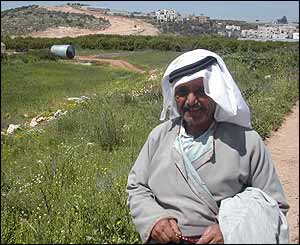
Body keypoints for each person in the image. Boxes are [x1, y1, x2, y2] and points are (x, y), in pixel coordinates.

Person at [126, 49, 289, 244]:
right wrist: (153, 220)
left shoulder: (247, 141)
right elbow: (137, 187)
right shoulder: (159, 137)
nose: (191, 100)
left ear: (216, 93)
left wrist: (229, 231)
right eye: (182, 92)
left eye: (201, 91)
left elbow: (274, 205)